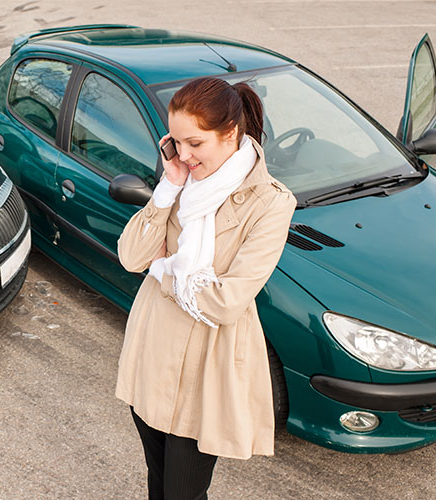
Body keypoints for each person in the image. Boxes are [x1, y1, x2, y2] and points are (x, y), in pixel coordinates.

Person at [116, 76, 296, 500]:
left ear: (230, 133)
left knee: (184, 491)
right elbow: (131, 256)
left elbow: (227, 301)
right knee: (157, 478)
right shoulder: (181, 184)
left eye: (195, 143)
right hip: (153, 353)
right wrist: (168, 188)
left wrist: (164, 272)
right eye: (175, 142)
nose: (183, 154)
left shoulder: (270, 202)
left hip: (207, 368)